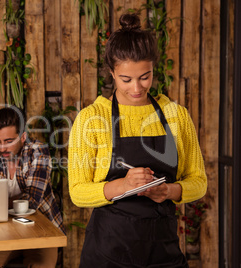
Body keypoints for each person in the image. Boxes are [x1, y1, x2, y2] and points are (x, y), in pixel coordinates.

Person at [68, 13, 207, 267]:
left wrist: (169, 190)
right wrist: (123, 185)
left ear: (154, 68)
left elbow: (198, 181)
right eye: (126, 79)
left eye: (145, 77)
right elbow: (77, 192)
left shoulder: (175, 115)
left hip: (163, 251)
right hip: (108, 252)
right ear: (111, 72)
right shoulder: (91, 119)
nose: (136, 88)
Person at [0, 107, 64, 268]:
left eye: (8, 141)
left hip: (40, 230)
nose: (2, 148)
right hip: (2, 232)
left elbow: (31, 201)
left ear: (23, 137)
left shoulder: (38, 151)